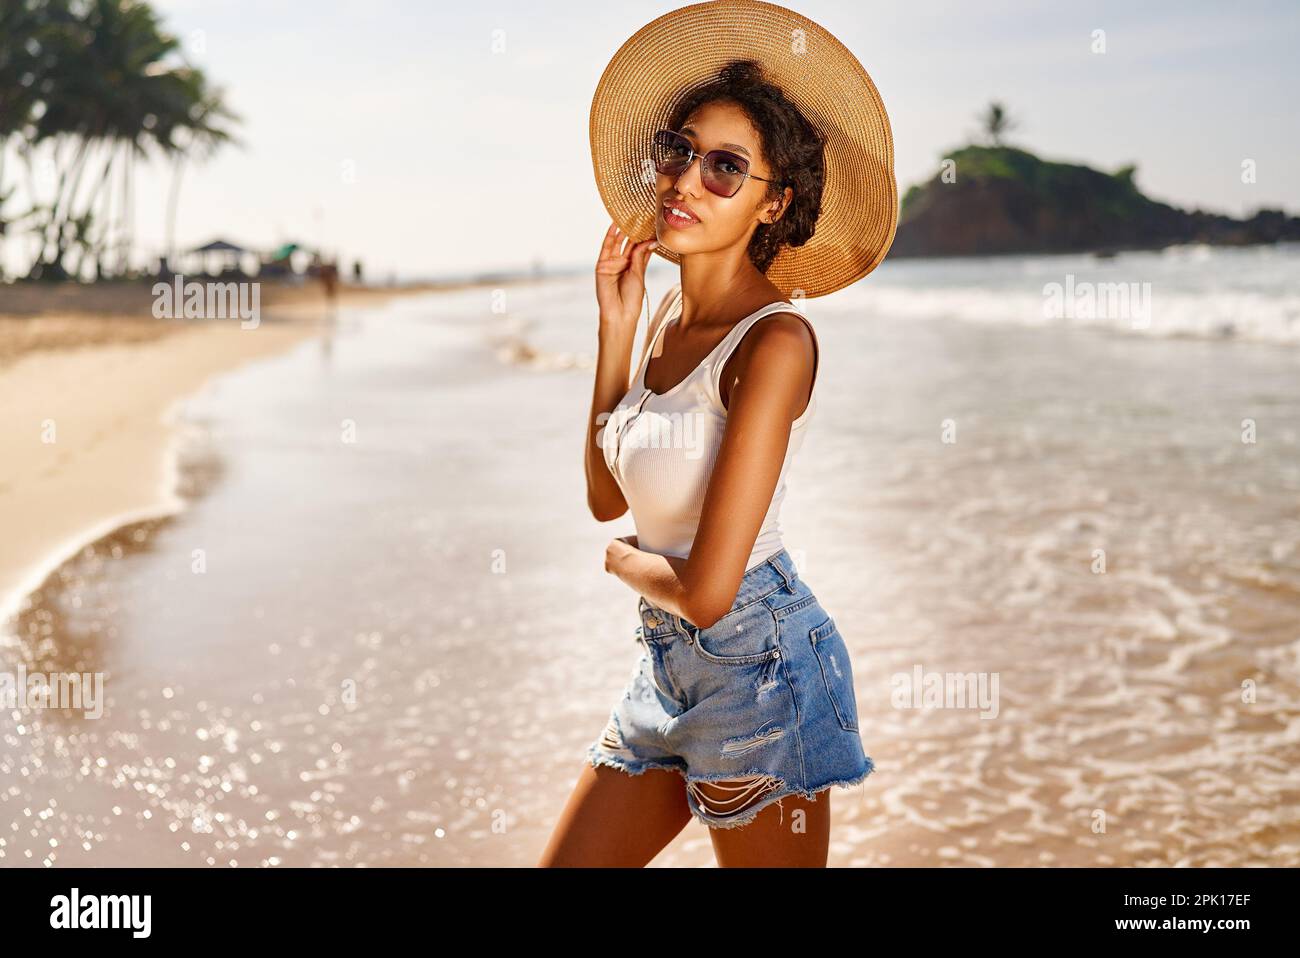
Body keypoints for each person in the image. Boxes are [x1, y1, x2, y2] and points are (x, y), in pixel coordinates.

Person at [540, 0, 898, 867]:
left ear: (774, 204)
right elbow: (602, 495)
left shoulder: (774, 342)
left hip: (762, 665)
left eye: (726, 167)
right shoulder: (662, 314)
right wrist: (614, 329)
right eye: (679, 150)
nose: (686, 180)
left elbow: (704, 591)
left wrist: (625, 562)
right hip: (667, 668)